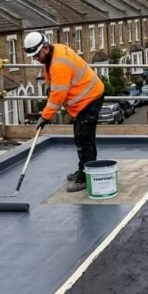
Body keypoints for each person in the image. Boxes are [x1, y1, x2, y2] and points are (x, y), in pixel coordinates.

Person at [25, 31, 105, 192]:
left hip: (89, 99)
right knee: (82, 138)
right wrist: (51, 88)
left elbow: (58, 97)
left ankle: (86, 178)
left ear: (45, 48)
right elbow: (54, 82)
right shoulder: (55, 52)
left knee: (84, 139)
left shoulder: (59, 63)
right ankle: (84, 169)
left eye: (37, 55)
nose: (36, 59)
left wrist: (45, 117)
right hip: (86, 98)